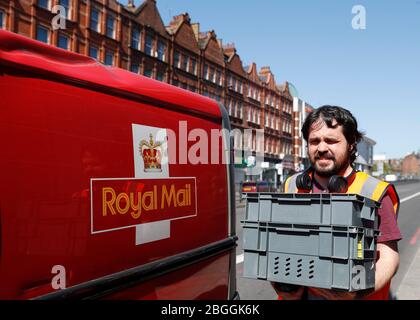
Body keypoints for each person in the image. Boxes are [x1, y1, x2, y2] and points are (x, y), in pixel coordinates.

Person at [272, 105, 402, 300]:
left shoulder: (374, 192)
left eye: (331, 141)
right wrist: (279, 283)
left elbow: (389, 256)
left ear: (351, 144)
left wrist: (358, 291)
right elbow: (276, 244)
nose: (322, 148)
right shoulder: (291, 185)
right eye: (314, 141)